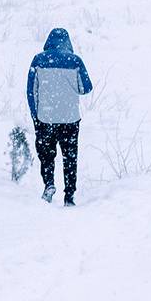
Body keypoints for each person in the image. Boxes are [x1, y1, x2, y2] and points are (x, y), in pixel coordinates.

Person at [26, 28, 93, 207]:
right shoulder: (75, 61)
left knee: (47, 154)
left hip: (45, 117)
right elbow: (86, 88)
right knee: (70, 157)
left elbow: (31, 91)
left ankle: (49, 184)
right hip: (70, 119)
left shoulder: (39, 60)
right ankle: (69, 196)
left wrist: (35, 115)